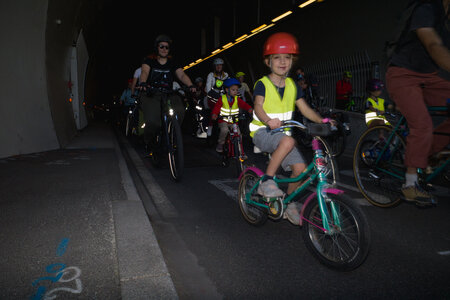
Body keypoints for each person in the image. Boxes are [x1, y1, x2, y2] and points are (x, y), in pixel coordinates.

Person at [249, 32, 335, 225]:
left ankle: (289, 205)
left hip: (283, 137)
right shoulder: (262, 84)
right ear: (268, 61)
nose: (282, 61)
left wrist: (323, 121)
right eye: (277, 57)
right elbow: (258, 106)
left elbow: (304, 108)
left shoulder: (293, 85)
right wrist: (268, 120)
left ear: (292, 60)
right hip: (263, 132)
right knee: (289, 141)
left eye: (287, 57)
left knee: (301, 170)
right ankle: (266, 182)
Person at [385, 0, 450, 205]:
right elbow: (433, 44)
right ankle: (410, 183)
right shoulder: (427, 8)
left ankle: (428, 155)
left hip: (429, 76)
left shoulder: (446, 19)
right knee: (422, 125)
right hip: (402, 74)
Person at [138, 34, 196, 152]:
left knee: (179, 110)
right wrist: (143, 83)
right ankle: (148, 140)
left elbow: (182, 75)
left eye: (166, 47)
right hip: (151, 93)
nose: (164, 49)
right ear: (157, 48)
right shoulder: (149, 60)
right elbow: (144, 72)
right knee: (153, 122)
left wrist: (190, 85)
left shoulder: (172, 62)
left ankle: (170, 133)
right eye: (161, 46)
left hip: (168, 93)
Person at [211, 78, 253, 153]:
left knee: (239, 135)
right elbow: (217, 107)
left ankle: (240, 152)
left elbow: (244, 104)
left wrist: (249, 108)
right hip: (223, 121)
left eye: (237, 90)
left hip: (233, 122)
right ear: (227, 90)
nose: (235, 92)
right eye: (233, 90)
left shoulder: (237, 99)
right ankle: (220, 144)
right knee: (224, 130)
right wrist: (214, 114)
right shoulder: (222, 99)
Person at [205, 58, 229, 136]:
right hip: (213, 97)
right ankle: (210, 126)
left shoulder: (226, 75)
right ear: (214, 66)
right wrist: (210, 94)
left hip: (222, 97)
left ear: (222, 66)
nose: (219, 67)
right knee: (215, 108)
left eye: (220, 65)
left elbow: (229, 85)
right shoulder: (211, 75)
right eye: (217, 65)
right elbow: (208, 86)